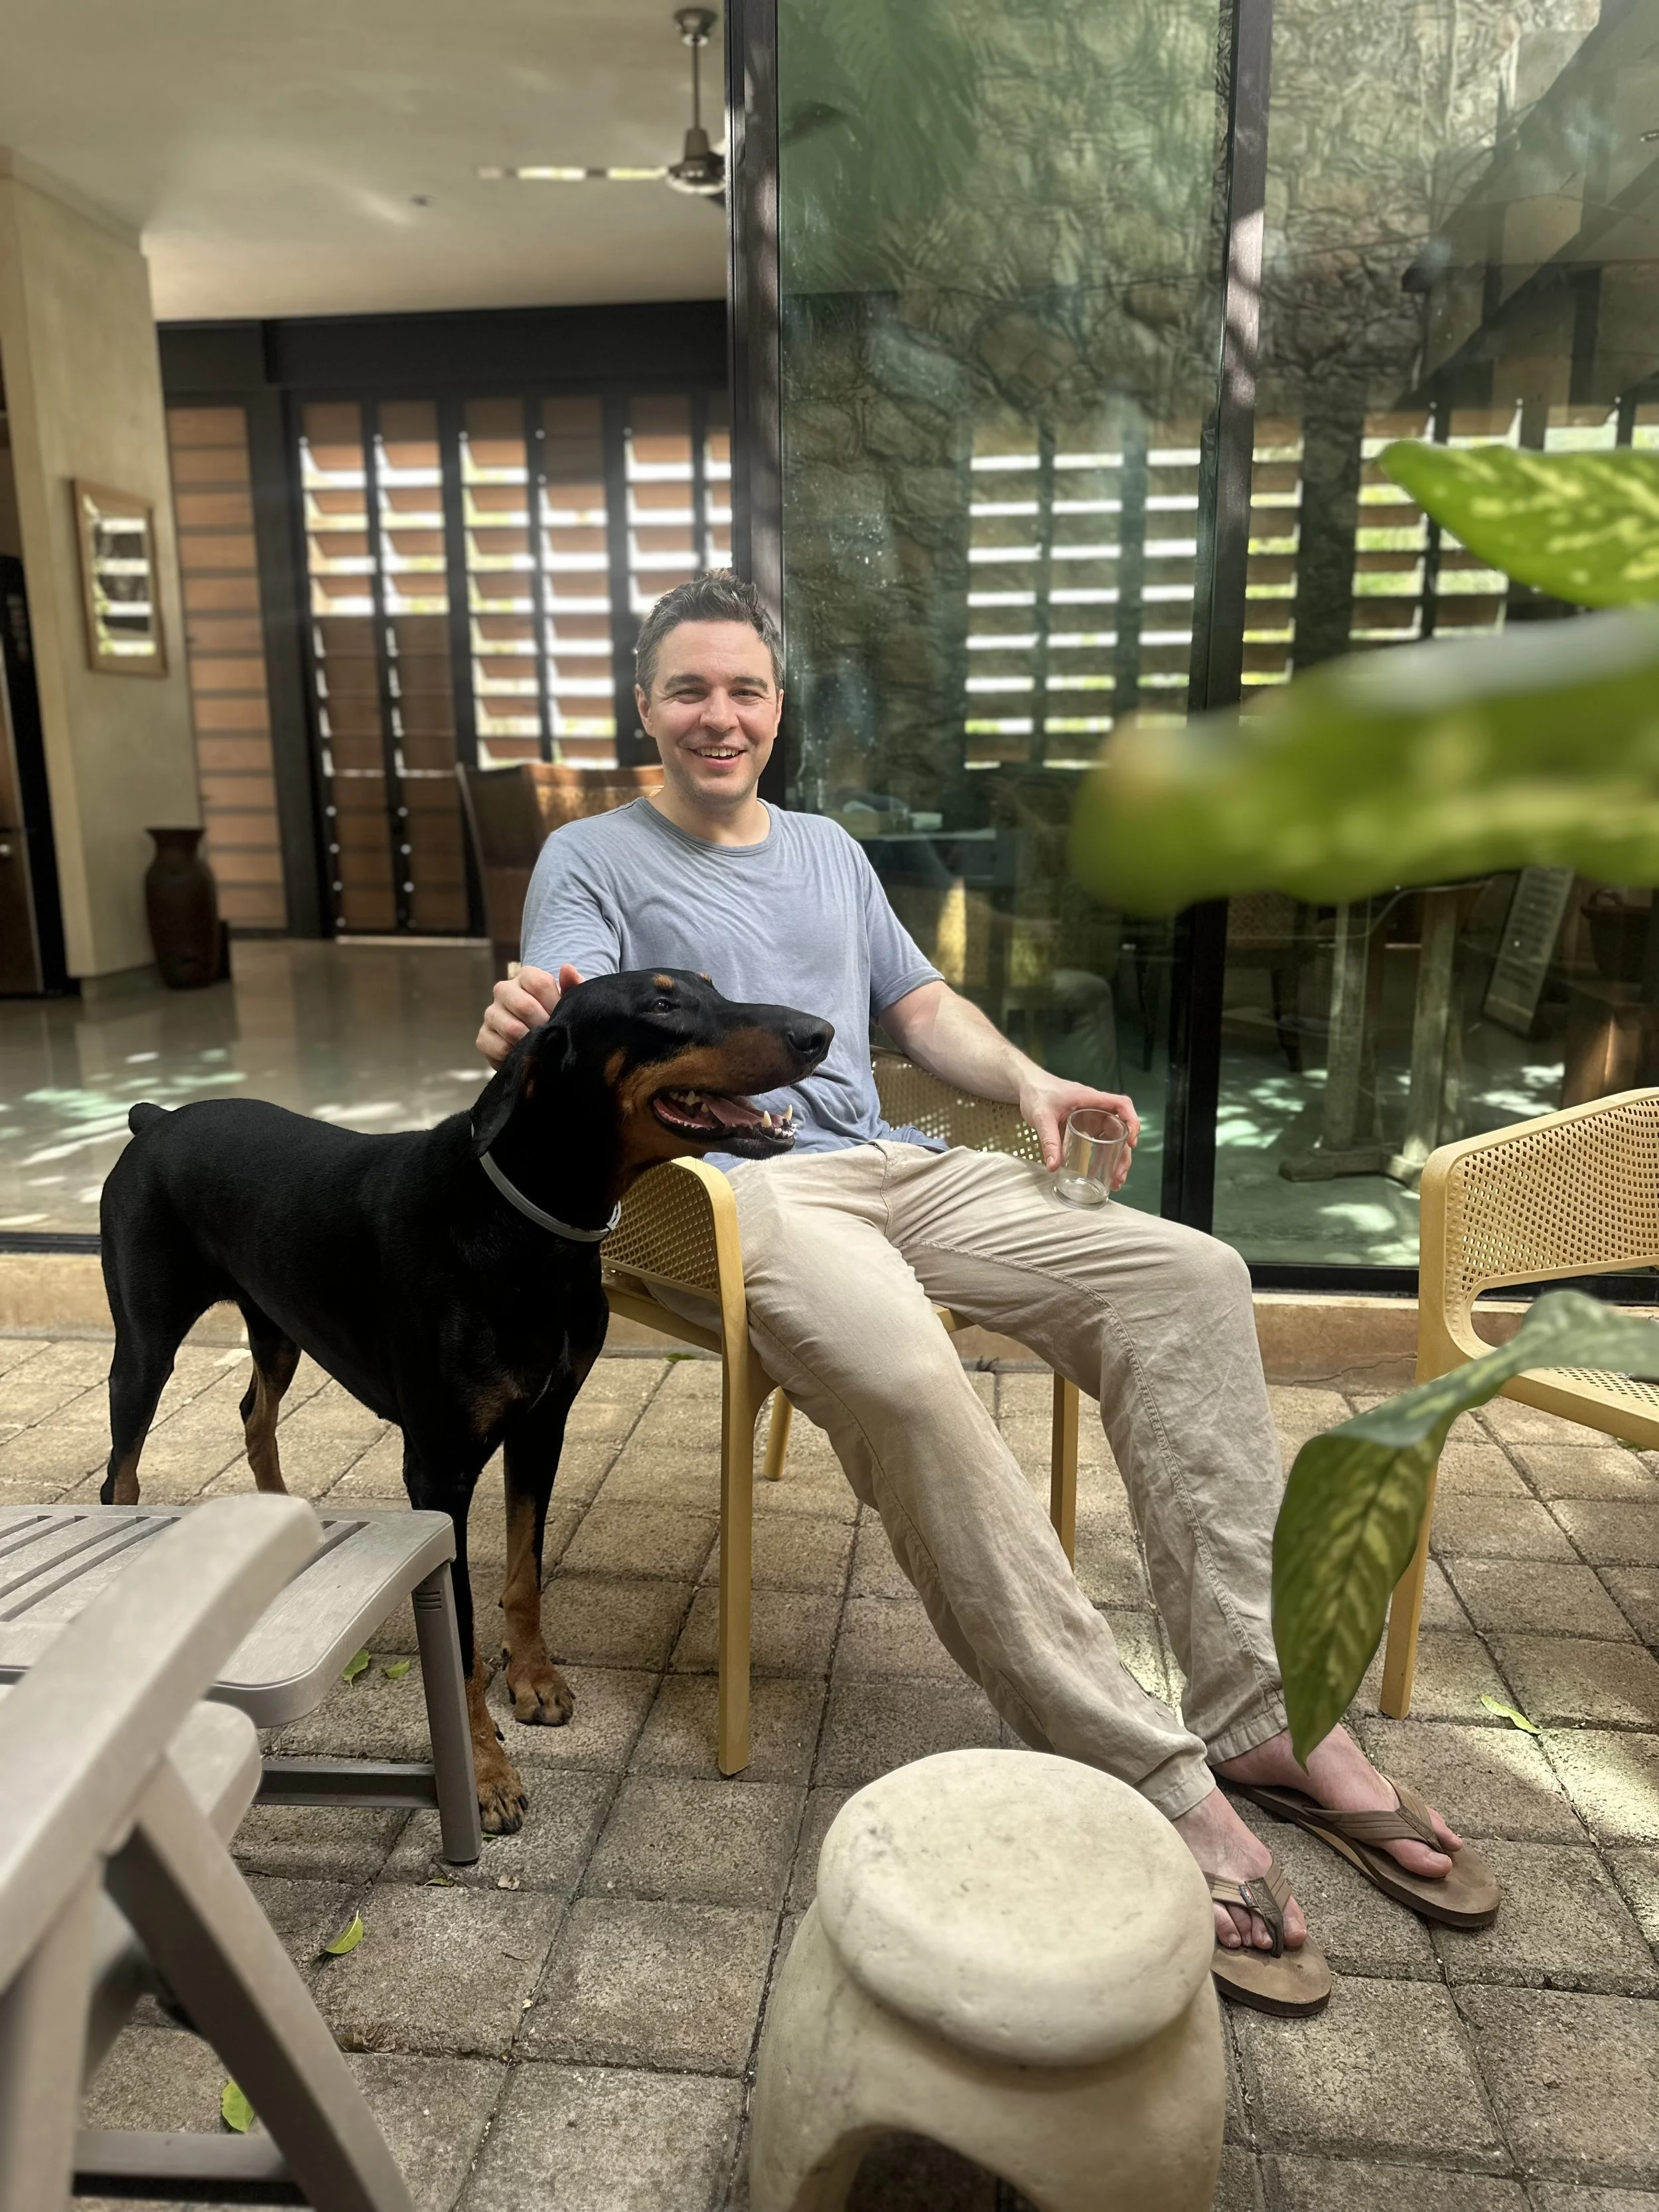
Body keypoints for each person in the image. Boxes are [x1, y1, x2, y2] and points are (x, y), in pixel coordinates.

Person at [477, 571, 1495, 2013]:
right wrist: (524, 1007)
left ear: (777, 707)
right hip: (717, 1194)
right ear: (644, 706)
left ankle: (1262, 1717)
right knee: (905, 1374)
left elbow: (913, 1007)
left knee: (1190, 1275)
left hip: (891, 1159)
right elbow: (561, 990)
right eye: (687, 689)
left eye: (744, 689)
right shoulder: (591, 853)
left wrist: (1026, 1081)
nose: (719, 715)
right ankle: (1140, 1766)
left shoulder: (825, 848)